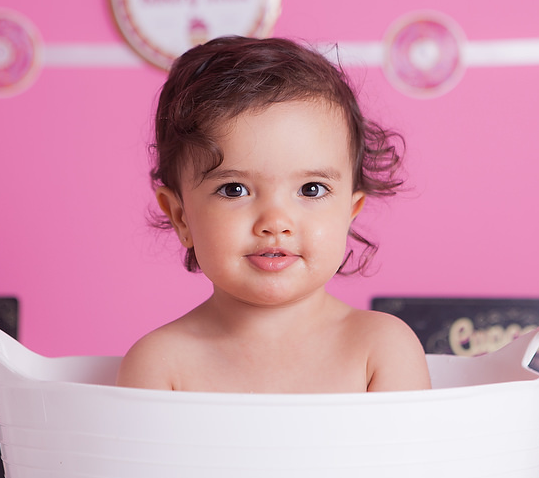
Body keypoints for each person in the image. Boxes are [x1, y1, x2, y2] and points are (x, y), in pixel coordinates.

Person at [117, 36, 431, 393]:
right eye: (234, 189)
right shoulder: (162, 364)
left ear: (351, 212)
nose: (275, 222)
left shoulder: (380, 350)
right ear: (181, 216)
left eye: (311, 189)